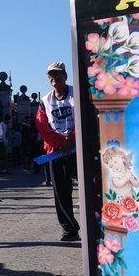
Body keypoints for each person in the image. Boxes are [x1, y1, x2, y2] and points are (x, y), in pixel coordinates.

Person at [35, 62, 79, 242]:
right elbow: (42, 127)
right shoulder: (45, 101)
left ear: (65, 76)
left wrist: (72, 139)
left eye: (58, 74)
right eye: (50, 75)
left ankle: (96, 221)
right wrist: (61, 143)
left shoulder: (77, 93)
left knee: (90, 185)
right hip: (57, 151)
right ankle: (69, 228)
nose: (54, 78)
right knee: (61, 191)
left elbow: (85, 116)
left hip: (78, 148)